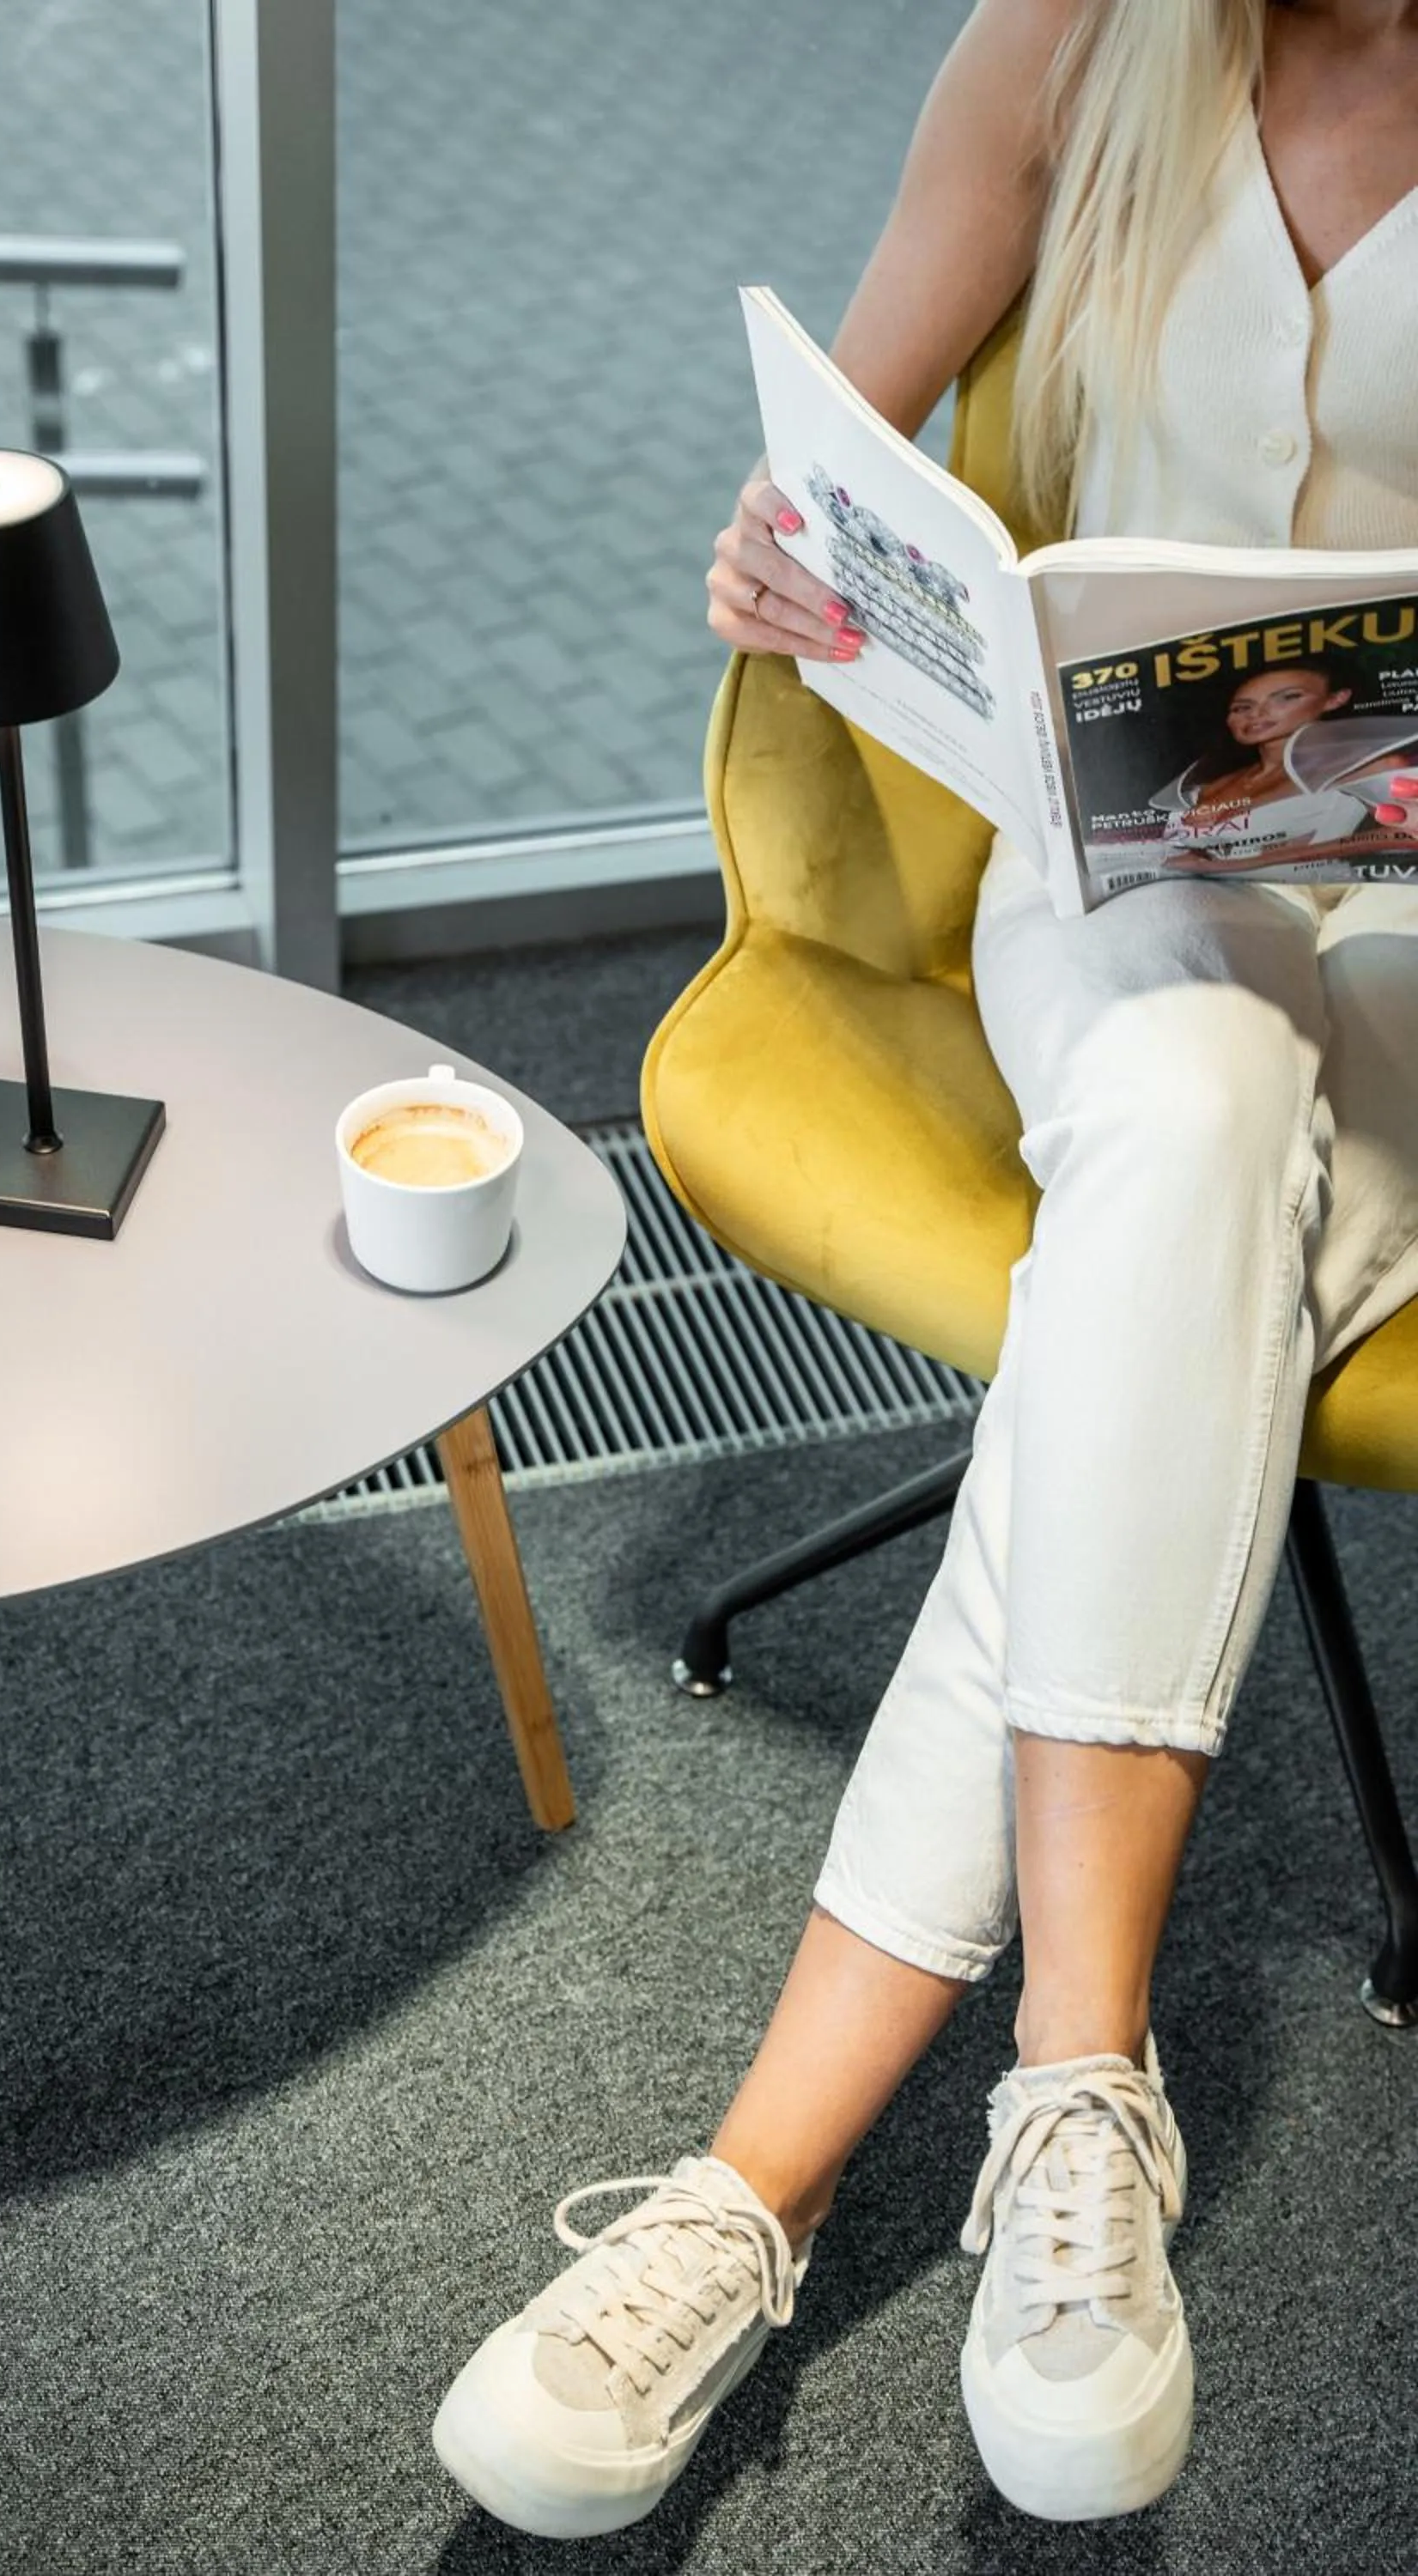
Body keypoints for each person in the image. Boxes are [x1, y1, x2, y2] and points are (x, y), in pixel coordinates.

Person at [431, 0, 1418, 2537]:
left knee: (1168, 1221)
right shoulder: (1074, 44)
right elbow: (837, 472)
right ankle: (1079, 2098)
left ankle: (742, 2196)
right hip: (1113, 888)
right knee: (1193, 1095)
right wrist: (775, 552)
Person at [1148, 659, 1418, 870]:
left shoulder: (1370, 766)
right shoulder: (1204, 784)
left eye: (1287, 697)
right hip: (1205, 897)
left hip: (1325, 896)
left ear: (1336, 698)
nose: (1258, 714)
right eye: (1242, 707)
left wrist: (1237, 865)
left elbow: (1403, 837)